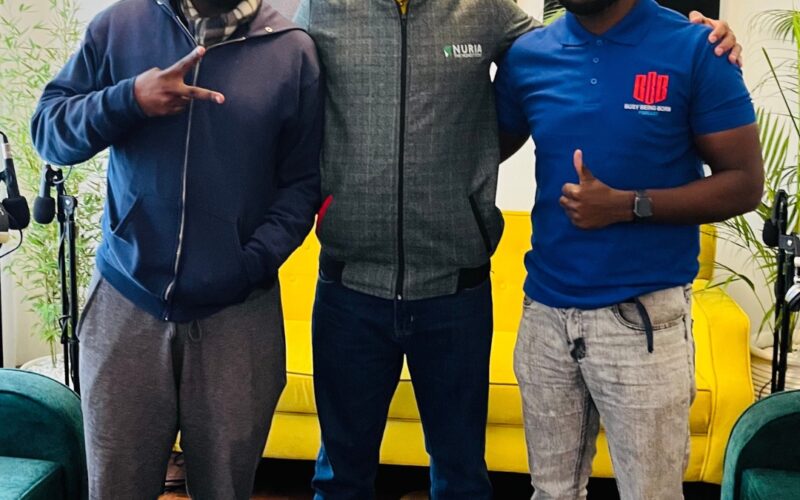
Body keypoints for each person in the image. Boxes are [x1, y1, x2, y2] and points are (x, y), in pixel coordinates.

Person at [290, 0, 740, 498]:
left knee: (461, 476)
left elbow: (584, 34)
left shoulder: (484, 10)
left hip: (455, 292)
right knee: (341, 475)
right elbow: (274, 71)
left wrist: (698, 34)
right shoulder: (323, 10)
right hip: (351, 285)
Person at [31, 0, 323, 496]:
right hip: (125, 302)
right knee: (115, 489)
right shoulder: (119, 26)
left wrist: (250, 263)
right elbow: (49, 133)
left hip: (239, 312)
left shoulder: (292, 51)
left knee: (226, 489)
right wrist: (129, 99)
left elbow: (303, 183)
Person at [494, 0, 763, 498]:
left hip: (642, 318)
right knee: (551, 492)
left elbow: (744, 184)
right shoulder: (529, 55)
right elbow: (473, 147)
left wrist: (627, 206)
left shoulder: (694, 49)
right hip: (545, 316)